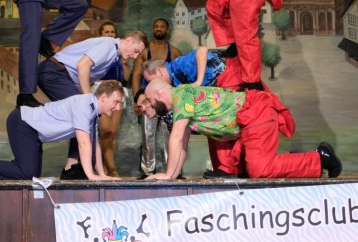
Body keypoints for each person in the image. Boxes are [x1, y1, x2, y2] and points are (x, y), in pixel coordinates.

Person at [140, 80, 342, 180]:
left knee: (260, 170)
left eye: (148, 100)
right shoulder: (180, 106)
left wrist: (167, 174)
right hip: (252, 119)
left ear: (158, 93)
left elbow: (175, 138)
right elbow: (182, 142)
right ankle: (310, 159)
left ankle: (319, 157)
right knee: (256, 170)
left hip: (256, 113)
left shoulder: (182, 95)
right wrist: (171, 176)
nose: (147, 104)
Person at [0, 81, 125, 181]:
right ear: (104, 97)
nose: (118, 108)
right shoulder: (84, 105)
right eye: (116, 102)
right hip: (23, 122)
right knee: (26, 172)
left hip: (32, 131)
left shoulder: (93, 112)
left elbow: (94, 144)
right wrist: (90, 175)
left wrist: (101, 174)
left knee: (30, 175)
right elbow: (83, 144)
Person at [37, 30, 148, 179]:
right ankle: (72, 167)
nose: (134, 56)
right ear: (128, 40)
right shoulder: (109, 46)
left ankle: (74, 166)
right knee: (85, 113)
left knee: (84, 117)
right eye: (135, 51)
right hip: (53, 73)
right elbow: (82, 65)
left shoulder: (113, 53)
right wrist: (89, 99)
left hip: (58, 75)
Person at [141, 46, 244, 178]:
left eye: (151, 80)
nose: (152, 83)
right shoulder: (177, 89)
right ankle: (227, 167)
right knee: (212, 132)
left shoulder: (176, 66)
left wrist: (198, 81)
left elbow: (202, 50)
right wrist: (172, 175)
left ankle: (228, 168)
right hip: (221, 102)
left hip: (227, 79)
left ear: (159, 71)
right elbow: (183, 139)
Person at [131, 18, 182, 178]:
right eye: (156, 26)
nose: (159, 29)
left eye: (162, 26)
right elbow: (136, 76)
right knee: (148, 136)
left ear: (167, 30)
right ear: (153, 29)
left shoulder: (174, 52)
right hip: (148, 101)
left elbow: (181, 76)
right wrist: (137, 100)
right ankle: (147, 171)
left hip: (168, 101)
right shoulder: (145, 52)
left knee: (171, 136)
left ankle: (174, 171)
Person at [96, 21, 131, 177]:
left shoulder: (120, 52)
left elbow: (126, 77)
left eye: (112, 32)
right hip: (101, 90)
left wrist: (125, 64)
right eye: (107, 32)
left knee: (113, 133)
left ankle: (104, 168)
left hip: (117, 91)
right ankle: (112, 168)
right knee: (105, 132)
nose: (110, 34)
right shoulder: (97, 50)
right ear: (100, 35)